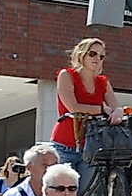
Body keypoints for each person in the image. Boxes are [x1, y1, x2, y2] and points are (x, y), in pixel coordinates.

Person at [47, 37, 121, 188]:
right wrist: (101, 109)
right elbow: (72, 107)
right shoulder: (66, 75)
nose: (97, 59)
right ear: (82, 54)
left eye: (101, 56)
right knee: (61, 192)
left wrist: (118, 111)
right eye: (92, 54)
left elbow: (114, 106)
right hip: (64, 145)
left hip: (91, 146)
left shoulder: (102, 82)